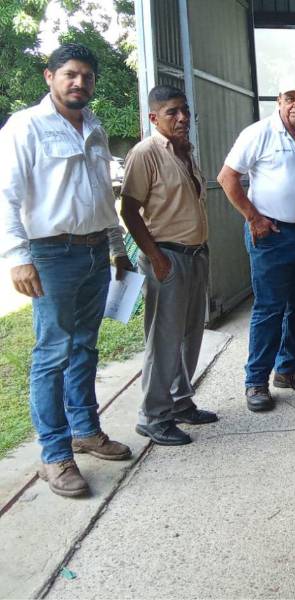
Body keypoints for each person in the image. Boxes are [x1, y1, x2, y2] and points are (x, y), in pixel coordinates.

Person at [0, 43, 133, 497]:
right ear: (49, 76)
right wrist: (18, 257)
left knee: (85, 347)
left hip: (96, 250)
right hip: (51, 255)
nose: (80, 83)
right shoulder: (26, 126)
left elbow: (100, 194)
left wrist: (117, 247)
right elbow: (6, 195)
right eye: (70, 74)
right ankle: (55, 456)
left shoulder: (93, 126)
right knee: (52, 354)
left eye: (87, 77)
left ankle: (86, 431)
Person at [218, 76, 295, 411]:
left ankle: (288, 369)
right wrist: (253, 218)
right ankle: (256, 381)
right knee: (269, 308)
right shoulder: (258, 133)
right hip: (272, 234)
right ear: (279, 100)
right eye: (291, 99)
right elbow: (227, 178)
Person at [120, 85, 218, 446]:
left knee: (190, 336)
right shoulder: (145, 153)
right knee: (163, 339)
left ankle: (179, 402)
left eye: (185, 111)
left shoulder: (185, 151)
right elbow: (129, 210)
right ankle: (153, 416)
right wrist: (157, 257)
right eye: (172, 112)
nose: (182, 118)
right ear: (153, 117)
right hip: (167, 257)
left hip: (194, 254)